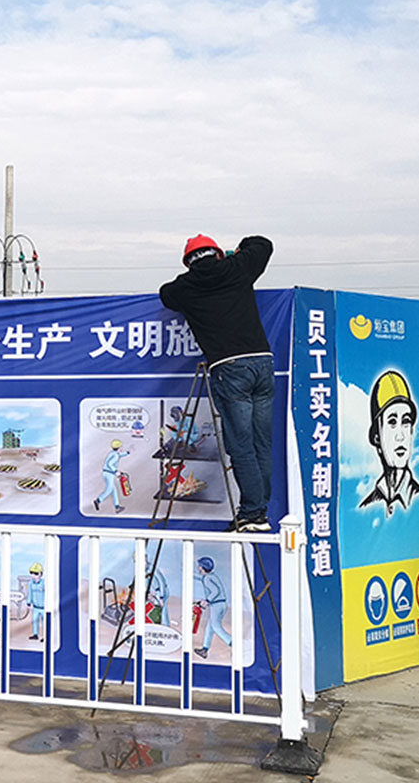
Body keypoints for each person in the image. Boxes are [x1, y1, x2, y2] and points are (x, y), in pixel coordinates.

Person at [160, 234, 275, 532]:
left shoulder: (185, 287)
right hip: (262, 362)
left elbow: (165, 294)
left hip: (229, 368)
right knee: (261, 443)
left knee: (241, 446)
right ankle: (259, 509)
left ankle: (253, 513)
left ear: (188, 262)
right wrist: (238, 251)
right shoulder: (239, 268)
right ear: (217, 254)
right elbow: (263, 244)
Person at [360, 370, 419, 516]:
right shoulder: (367, 506)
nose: (400, 436)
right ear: (377, 437)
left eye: (406, 422)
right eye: (392, 422)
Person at [194, 556, 231, 659]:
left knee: (215, 626)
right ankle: (205, 650)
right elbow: (200, 578)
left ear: (203, 567)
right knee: (209, 628)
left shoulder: (207, 579)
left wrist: (207, 600)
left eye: (200, 566)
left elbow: (215, 591)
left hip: (216, 605)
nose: (198, 568)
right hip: (220, 604)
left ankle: (232, 643)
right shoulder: (210, 576)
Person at [93, 439, 130, 514]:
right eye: (121, 446)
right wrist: (115, 471)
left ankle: (117, 507)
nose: (122, 447)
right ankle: (98, 500)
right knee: (109, 489)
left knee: (114, 490)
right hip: (109, 473)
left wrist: (127, 452)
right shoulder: (115, 455)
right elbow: (110, 464)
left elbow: (120, 455)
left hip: (107, 473)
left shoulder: (113, 453)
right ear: (119, 447)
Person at [26, 562, 46, 640]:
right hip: (35, 607)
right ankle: (35, 634)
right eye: (32, 573)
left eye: (36, 573)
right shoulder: (31, 583)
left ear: (40, 574)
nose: (33, 575)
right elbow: (30, 593)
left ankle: (45, 635)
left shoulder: (44, 583)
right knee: (35, 620)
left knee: (45, 622)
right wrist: (29, 602)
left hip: (43, 607)